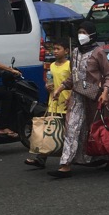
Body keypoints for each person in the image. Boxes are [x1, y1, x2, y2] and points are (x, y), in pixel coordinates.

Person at [48, 21, 109, 178]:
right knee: (71, 127)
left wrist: (105, 92)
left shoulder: (98, 52)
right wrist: (60, 88)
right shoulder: (75, 52)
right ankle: (65, 165)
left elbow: (108, 75)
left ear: (92, 35)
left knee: (100, 129)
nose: (81, 35)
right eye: (80, 32)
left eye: (84, 32)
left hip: (95, 97)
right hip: (77, 96)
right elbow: (73, 76)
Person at [25, 37, 71, 168]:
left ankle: (66, 161)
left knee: (66, 134)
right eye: (54, 49)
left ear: (66, 51)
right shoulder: (51, 65)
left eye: (58, 49)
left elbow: (74, 83)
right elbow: (50, 82)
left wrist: (71, 97)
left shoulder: (69, 66)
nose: (55, 52)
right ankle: (41, 159)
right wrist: (47, 86)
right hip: (53, 103)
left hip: (65, 105)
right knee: (48, 131)